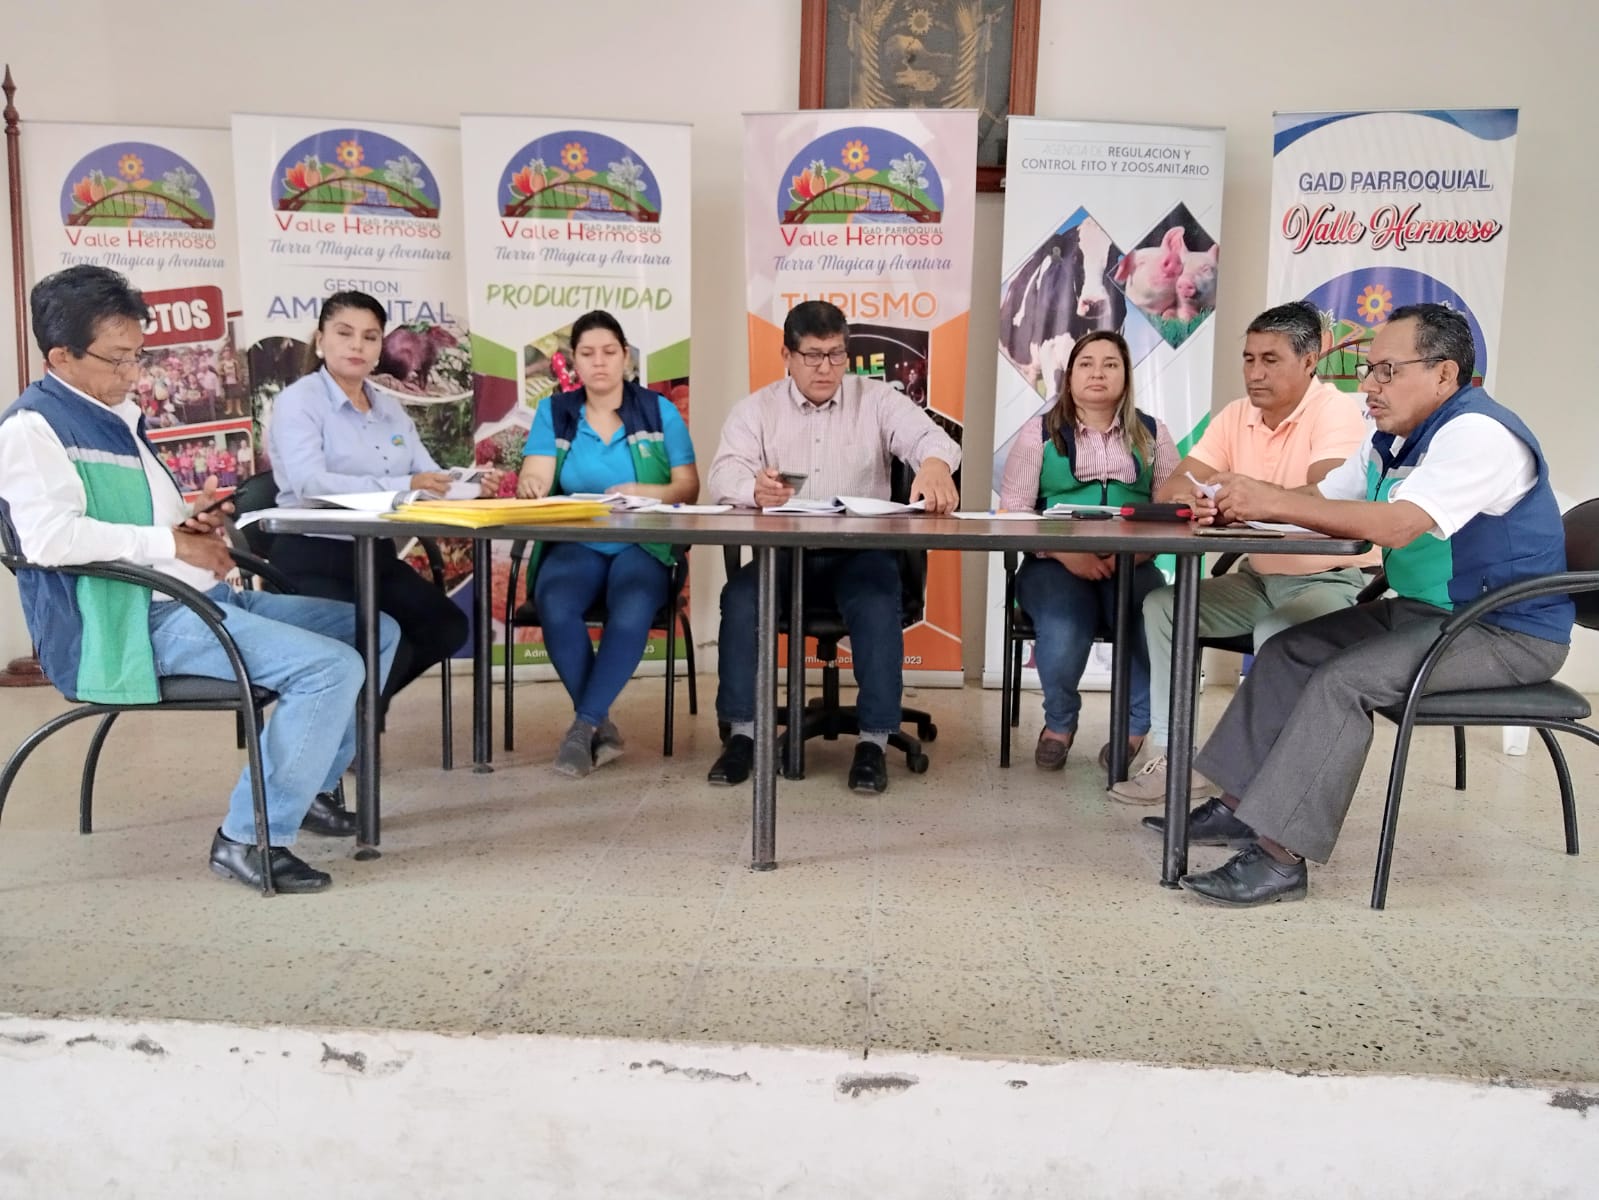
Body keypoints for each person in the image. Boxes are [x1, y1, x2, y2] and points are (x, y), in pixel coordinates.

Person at [1144, 304, 1574, 906]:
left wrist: (1272, 501)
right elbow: (1320, 498)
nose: (1369, 386)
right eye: (1368, 369)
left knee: (1342, 680)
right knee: (1290, 649)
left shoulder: (1479, 434)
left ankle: (1279, 859)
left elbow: (1398, 525)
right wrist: (1243, 502)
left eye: (1387, 371)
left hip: (1505, 631)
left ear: (1444, 374)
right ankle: (1241, 805)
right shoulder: (1393, 438)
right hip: (1431, 614)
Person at [0, 265, 401, 893]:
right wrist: (173, 542)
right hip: (127, 622)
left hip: (189, 597)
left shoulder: (115, 414)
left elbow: (136, 523)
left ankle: (311, 788)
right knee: (329, 668)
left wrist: (192, 518)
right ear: (61, 356)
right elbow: (49, 540)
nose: (133, 373)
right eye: (118, 359)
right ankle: (250, 838)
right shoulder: (32, 429)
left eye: (138, 355)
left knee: (373, 630)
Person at [1108, 300, 1379, 803]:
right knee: (1164, 606)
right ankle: (1171, 756)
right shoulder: (1236, 415)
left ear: (1310, 361)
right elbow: (1172, 487)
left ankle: (1253, 775)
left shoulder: (1335, 411)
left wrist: (1247, 496)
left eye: (1270, 360)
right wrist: (1196, 497)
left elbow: (1326, 498)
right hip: (1260, 578)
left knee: (1277, 633)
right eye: (1249, 359)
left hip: (1330, 579)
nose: (1255, 373)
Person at [706, 300, 961, 794]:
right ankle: (742, 734)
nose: (826, 368)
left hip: (859, 553)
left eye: (837, 355)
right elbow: (723, 474)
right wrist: (753, 488)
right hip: (785, 554)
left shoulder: (877, 399)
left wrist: (933, 465)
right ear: (786, 355)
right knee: (740, 599)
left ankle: (873, 742)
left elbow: (932, 439)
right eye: (812, 356)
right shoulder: (757, 409)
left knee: (876, 601)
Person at [268, 291, 502, 704]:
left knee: (446, 627)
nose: (357, 345)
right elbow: (310, 484)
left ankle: (358, 713)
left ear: (380, 349)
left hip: (374, 555)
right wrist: (405, 486)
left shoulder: (389, 408)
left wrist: (474, 485)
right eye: (344, 333)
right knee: (384, 639)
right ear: (321, 341)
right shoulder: (298, 402)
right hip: (312, 555)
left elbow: (429, 478)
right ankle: (351, 722)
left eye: (370, 337)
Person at [514, 310, 700, 777]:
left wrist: (642, 491)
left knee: (633, 604)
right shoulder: (555, 412)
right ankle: (599, 723)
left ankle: (583, 726)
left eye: (609, 352)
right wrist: (532, 485)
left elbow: (688, 487)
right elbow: (536, 473)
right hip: (577, 540)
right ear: (573, 362)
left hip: (643, 542)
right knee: (555, 601)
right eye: (587, 353)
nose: (599, 362)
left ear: (625, 358)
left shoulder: (659, 410)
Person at [997, 331, 1179, 770]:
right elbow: (1014, 513)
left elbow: (1173, 510)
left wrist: (1133, 555)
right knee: (1064, 626)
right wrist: (1066, 554)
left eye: (1110, 364)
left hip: (1133, 562)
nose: (1098, 373)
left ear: (1126, 376)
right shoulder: (1039, 432)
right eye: (1086, 363)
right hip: (1053, 563)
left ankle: (1134, 727)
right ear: (1070, 375)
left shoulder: (1154, 433)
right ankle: (1059, 723)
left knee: (1149, 620)